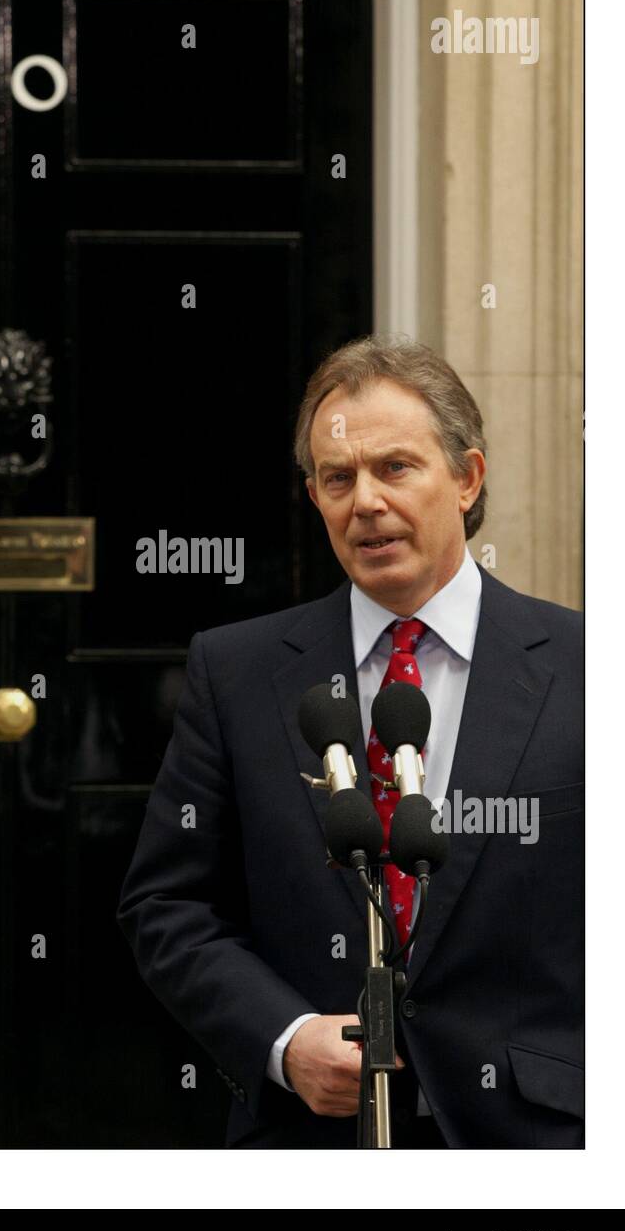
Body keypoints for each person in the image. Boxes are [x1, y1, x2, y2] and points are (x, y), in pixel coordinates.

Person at [116, 335, 584, 1148]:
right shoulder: (237, 671)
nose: (364, 501)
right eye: (338, 478)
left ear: (466, 478)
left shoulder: (586, 670)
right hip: (308, 1144)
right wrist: (283, 1039)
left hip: (531, 1135)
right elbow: (167, 904)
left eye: (394, 468)